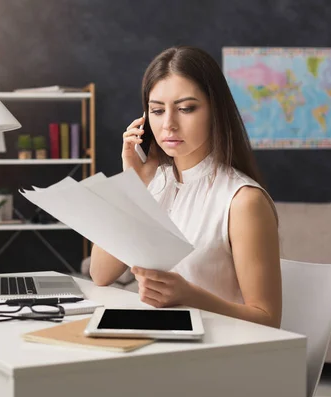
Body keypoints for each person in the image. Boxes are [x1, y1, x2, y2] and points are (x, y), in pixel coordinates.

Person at [89, 46, 282, 328]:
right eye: (156, 110)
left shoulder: (242, 201)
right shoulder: (154, 184)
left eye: (186, 109)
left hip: (216, 354)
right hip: (155, 341)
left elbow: (267, 319)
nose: (168, 124)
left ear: (215, 111)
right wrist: (133, 182)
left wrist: (190, 296)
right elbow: (100, 274)